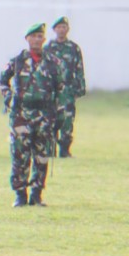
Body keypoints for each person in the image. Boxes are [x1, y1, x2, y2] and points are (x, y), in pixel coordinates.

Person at [0, 23, 64, 207]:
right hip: (21, 114)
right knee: (20, 154)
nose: (37, 39)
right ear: (27, 39)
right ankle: (20, 194)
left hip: (44, 115)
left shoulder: (53, 63)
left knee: (42, 155)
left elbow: (60, 90)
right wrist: (8, 97)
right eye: (33, 36)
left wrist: (59, 115)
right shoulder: (17, 61)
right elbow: (3, 80)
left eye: (40, 36)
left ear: (44, 39)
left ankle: (36, 194)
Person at [44, 16, 86, 158]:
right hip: (52, 90)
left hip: (67, 90)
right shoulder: (48, 48)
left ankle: (65, 150)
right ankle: (50, 150)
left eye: (64, 27)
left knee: (67, 120)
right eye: (59, 27)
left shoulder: (73, 48)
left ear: (67, 29)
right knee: (51, 119)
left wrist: (80, 87)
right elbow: (42, 68)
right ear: (54, 30)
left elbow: (79, 68)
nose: (61, 30)